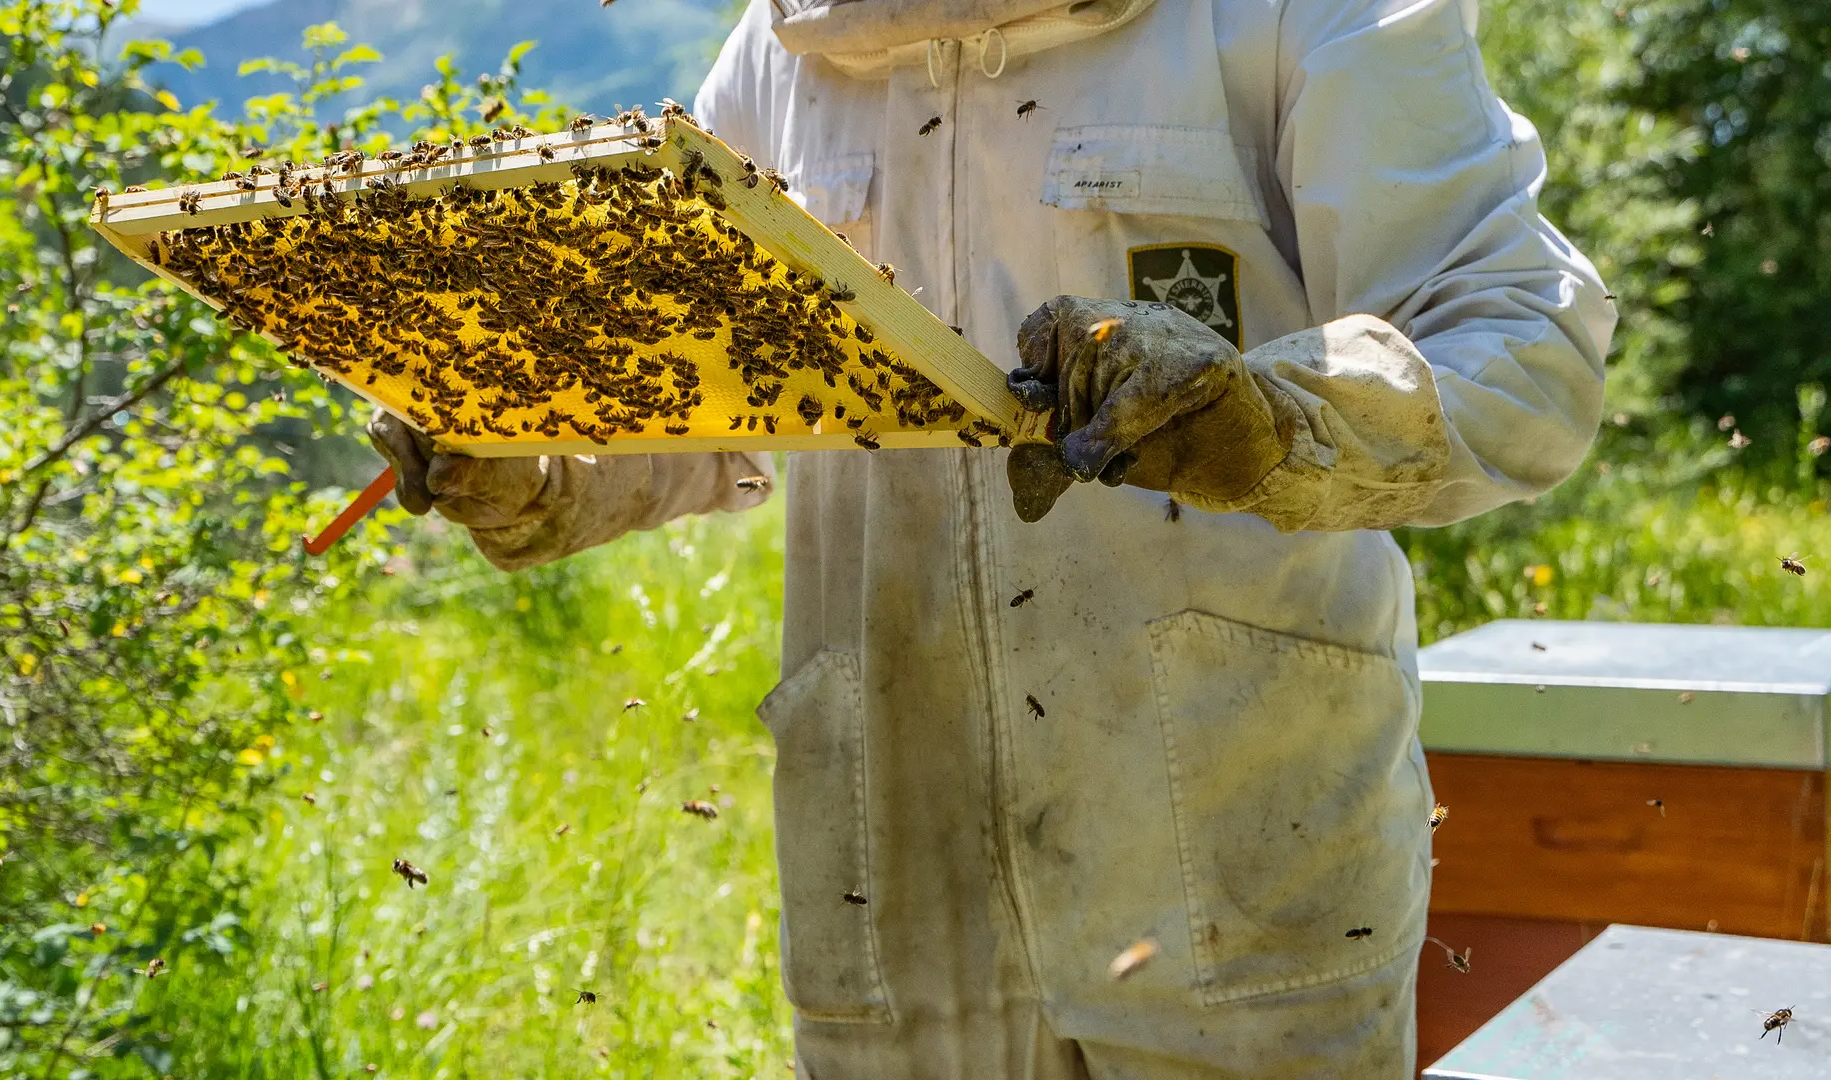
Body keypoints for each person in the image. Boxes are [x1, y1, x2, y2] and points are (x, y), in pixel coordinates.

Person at [367, 0, 1615, 1075]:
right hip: (894, 867)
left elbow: (1514, 335)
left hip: (1241, 861)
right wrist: (538, 461)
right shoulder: (781, 50)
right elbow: (706, 393)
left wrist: (1277, 416)